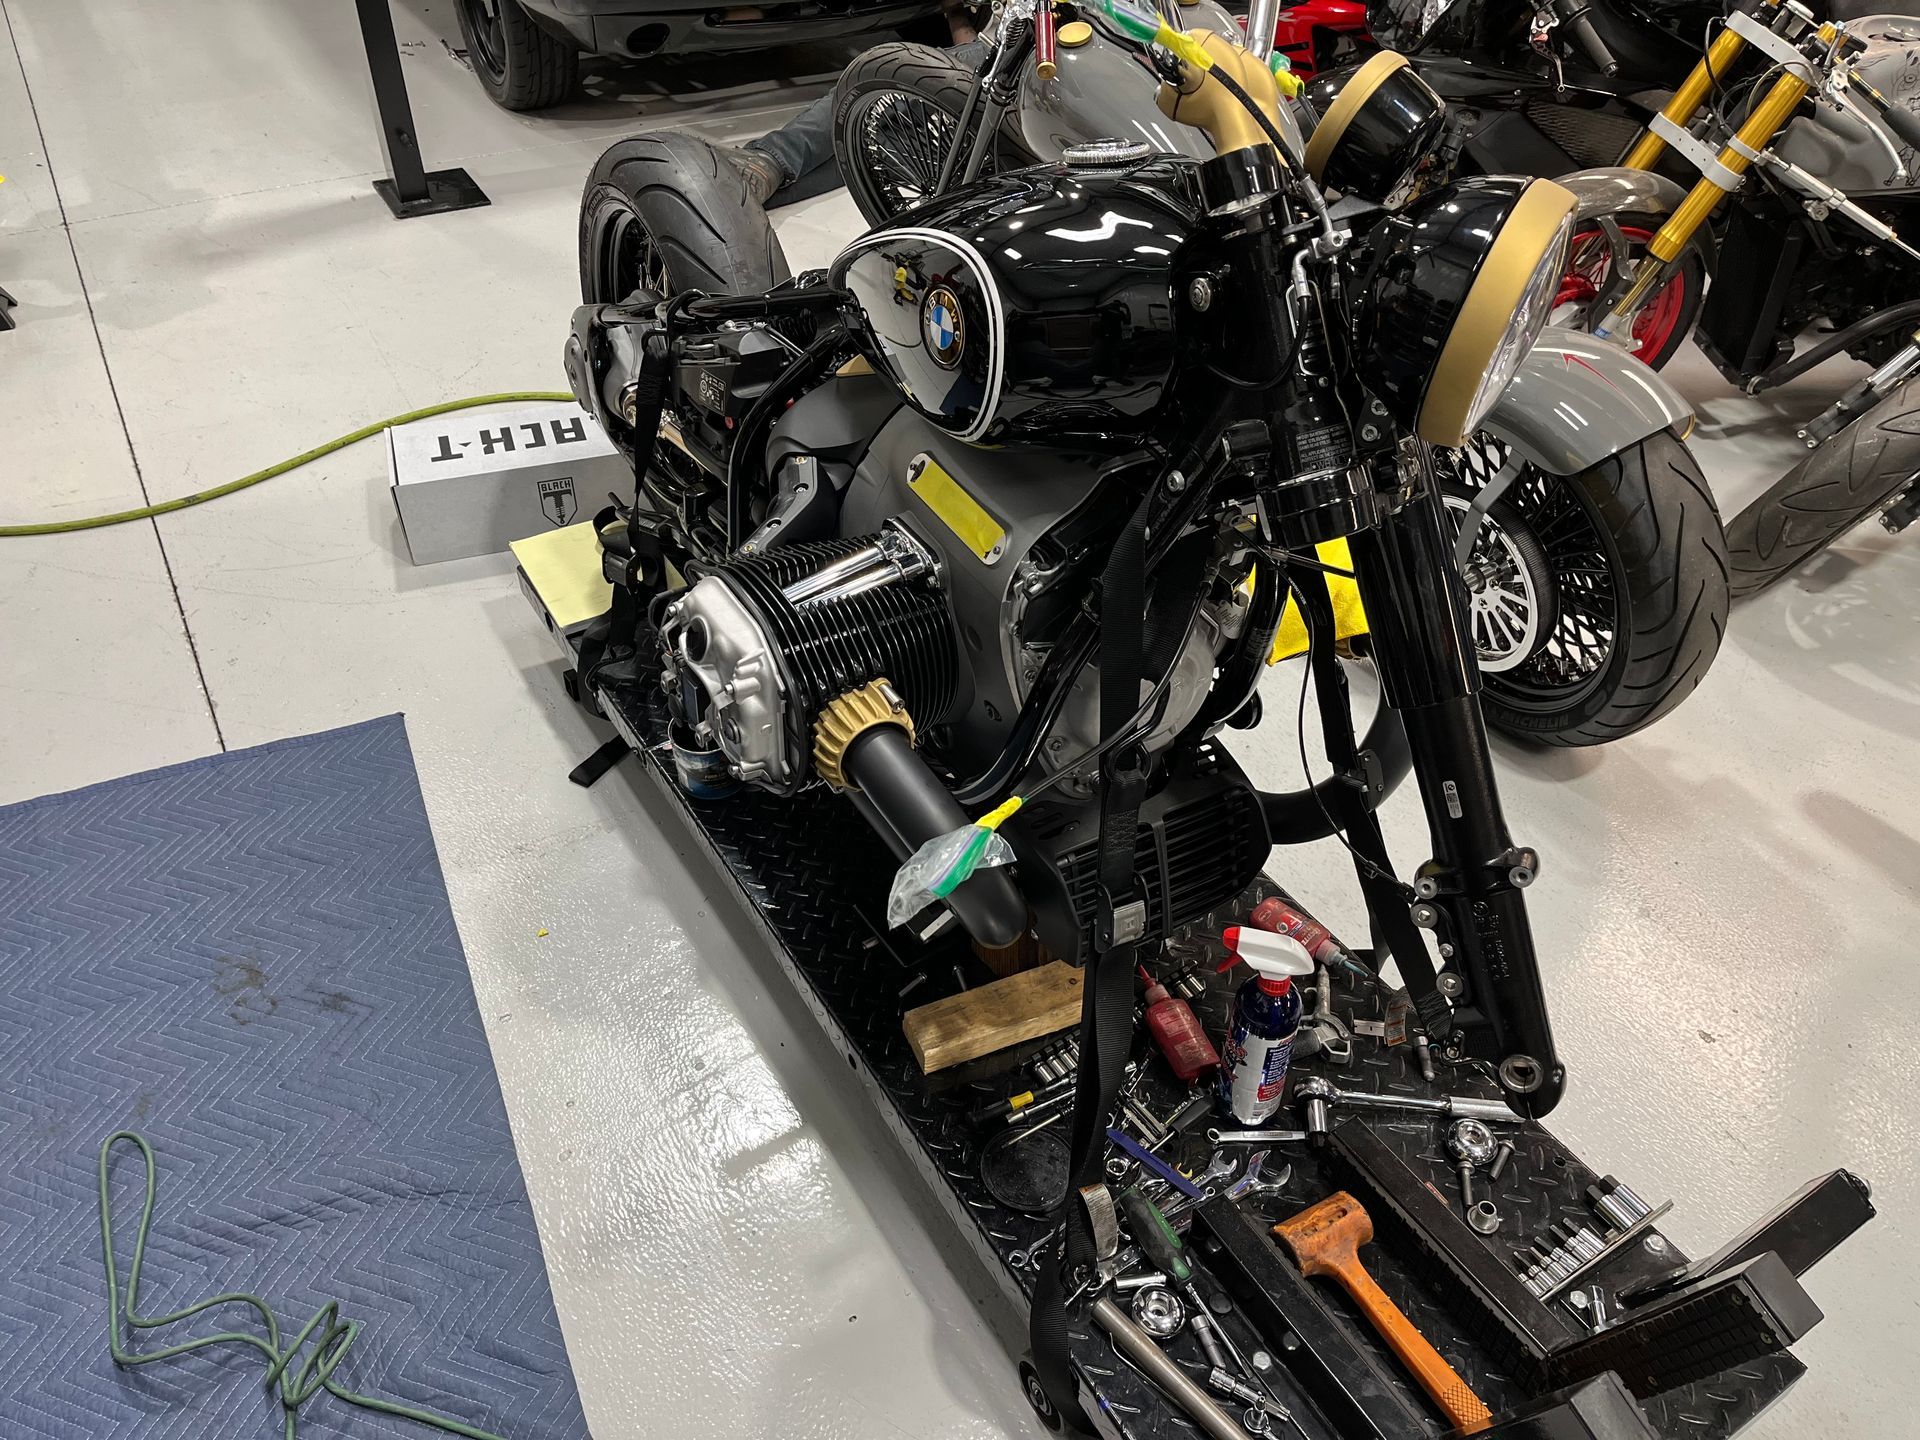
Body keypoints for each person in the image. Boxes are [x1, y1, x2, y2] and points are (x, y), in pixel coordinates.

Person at [723, 21, 988, 207]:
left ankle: (743, 181)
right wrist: (957, 16)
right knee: (875, 97)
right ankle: (760, 169)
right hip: (1001, 78)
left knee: (873, 143)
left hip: (1006, 131)